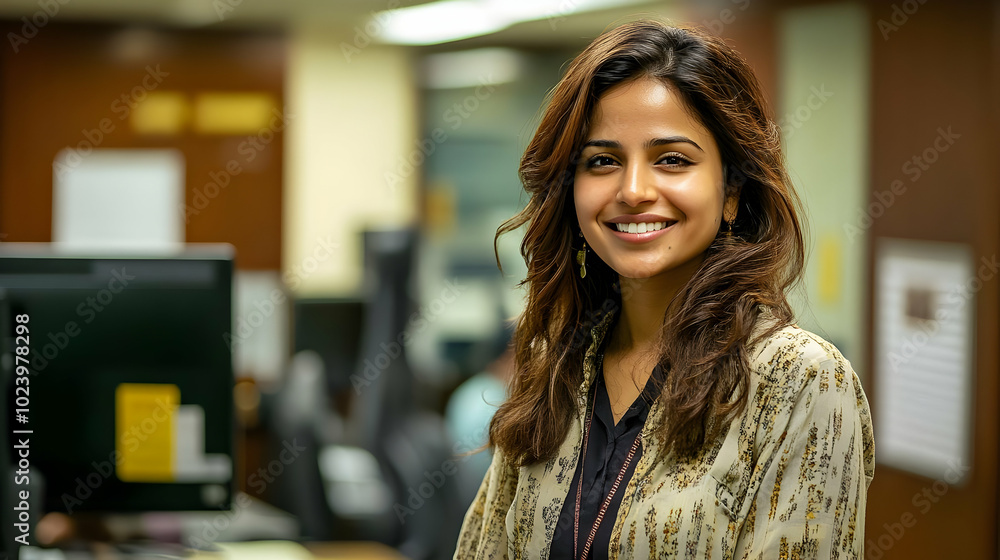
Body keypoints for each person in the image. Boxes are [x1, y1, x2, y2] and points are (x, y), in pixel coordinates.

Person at [452, 18, 875, 560]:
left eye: (672, 159)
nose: (633, 190)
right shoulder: (556, 362)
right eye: (602, 161)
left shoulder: (800, 382)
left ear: (730, 193)